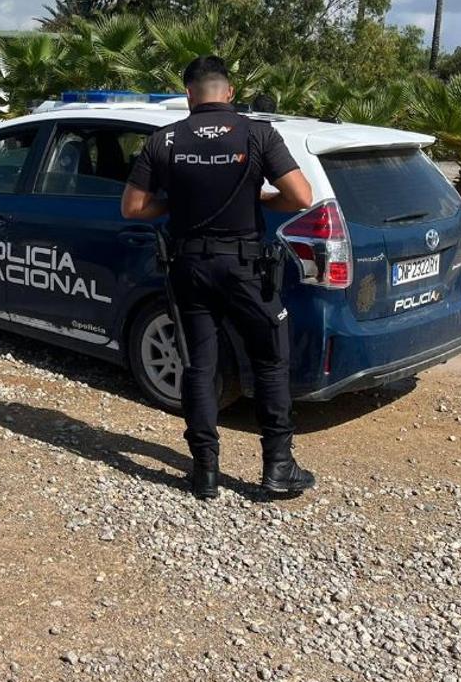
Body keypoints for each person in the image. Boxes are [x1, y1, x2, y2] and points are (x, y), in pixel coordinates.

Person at [121, 56, 316, 500]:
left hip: (189, 268)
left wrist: (173, 204)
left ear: (188, 93)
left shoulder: (164, 140)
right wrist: (262, 198)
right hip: (246, 269)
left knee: (199, 365)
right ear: (229, 92)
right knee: (269, 361)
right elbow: (301, 196)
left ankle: (205, 473)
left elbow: (132, 208)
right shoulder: (257, 133)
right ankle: (278, 469)